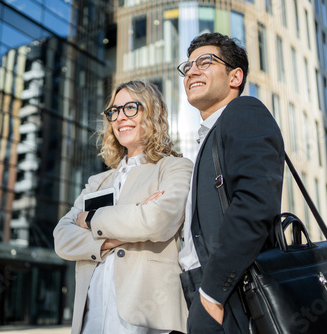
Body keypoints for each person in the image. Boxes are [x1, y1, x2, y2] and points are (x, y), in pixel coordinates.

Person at [54, 80, 193, 334]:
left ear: (152, 111)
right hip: (90, 320)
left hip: (146, 322)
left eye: (131, 108)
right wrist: (112, 240)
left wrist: (91, 219)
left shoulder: (174, 167)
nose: (120, 118)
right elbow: (62, 238)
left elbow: (158, 221)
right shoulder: (98, 182)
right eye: (114, 111)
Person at [177, 32, 285, 333]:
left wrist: (212, 294)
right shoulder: (210, 135)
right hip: (208, 290)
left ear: (235, 76)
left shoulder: (243, 112)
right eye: (187, 67)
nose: (192, 71)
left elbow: (256, 202)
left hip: (230, 292)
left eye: (205, 62)